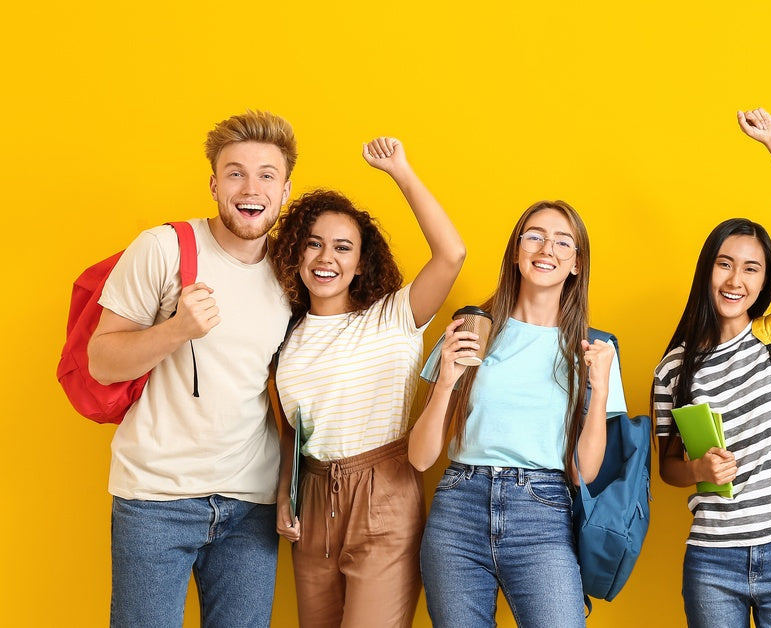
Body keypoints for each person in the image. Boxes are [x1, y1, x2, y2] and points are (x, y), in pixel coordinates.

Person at [88, 110, 297, 627]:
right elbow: (102, 360)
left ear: (286, 189)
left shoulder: (289, 273)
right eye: (235, 173)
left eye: (266, 175)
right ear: (213, 183)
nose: (251, 188)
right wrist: (176, 329)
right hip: (155, 499)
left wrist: (289, 490)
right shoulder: (162, 248)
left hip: (250, 504)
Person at [269, 137, 465, 626]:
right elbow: (291, 433)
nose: (326, 257)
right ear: (296, 252)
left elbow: (452, 253)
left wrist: (400, 170)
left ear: (360, 262)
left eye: (342, 247)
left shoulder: (394, 316)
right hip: (310, 503)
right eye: (313, 243)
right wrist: (283, 498)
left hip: (385, 497)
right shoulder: (285, 338)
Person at [653, 109, 771, 627]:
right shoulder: (674, 368)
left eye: (751, 268)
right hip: (712, 560)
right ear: (707, 270)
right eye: (725, 263)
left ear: (764, 282)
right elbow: (667, 468)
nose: (736, 279)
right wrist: (698, 470)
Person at [408, 200, 626, 627]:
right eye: (535, 236)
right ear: (515, 250)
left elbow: (584, 472)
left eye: (564, 242)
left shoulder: (593, 350)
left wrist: (598, 390)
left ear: (577, 263)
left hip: (543, 515)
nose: (548, 249)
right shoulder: (471, 330)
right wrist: (447, 380)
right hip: (459, 509)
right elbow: (419, 458)